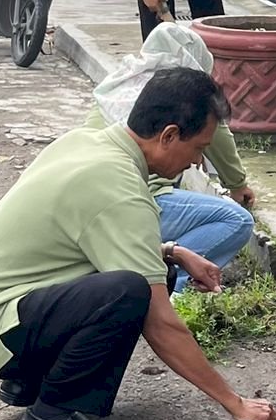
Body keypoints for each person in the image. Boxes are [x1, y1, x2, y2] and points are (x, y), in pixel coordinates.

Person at [0, 68, 276, 420]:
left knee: (144, 274)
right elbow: (162, 324)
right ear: (169, 135)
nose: (197, 164)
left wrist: (174, 250)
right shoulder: (121, 189)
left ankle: (29, 381)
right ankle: (49, 418)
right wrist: (236, 402)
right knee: (127, 292)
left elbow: (87, 241)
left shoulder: (87, 143)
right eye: (198, 149)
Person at [86, 23, 259, 286]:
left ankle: (161, 273)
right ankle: (171, 284)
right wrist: (237, 184)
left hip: (98, 204)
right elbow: (219, 138)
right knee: (236, 219)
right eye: (198, 149)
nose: (195, 159)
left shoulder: (118, 84)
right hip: (136, 200)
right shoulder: (188, 99)